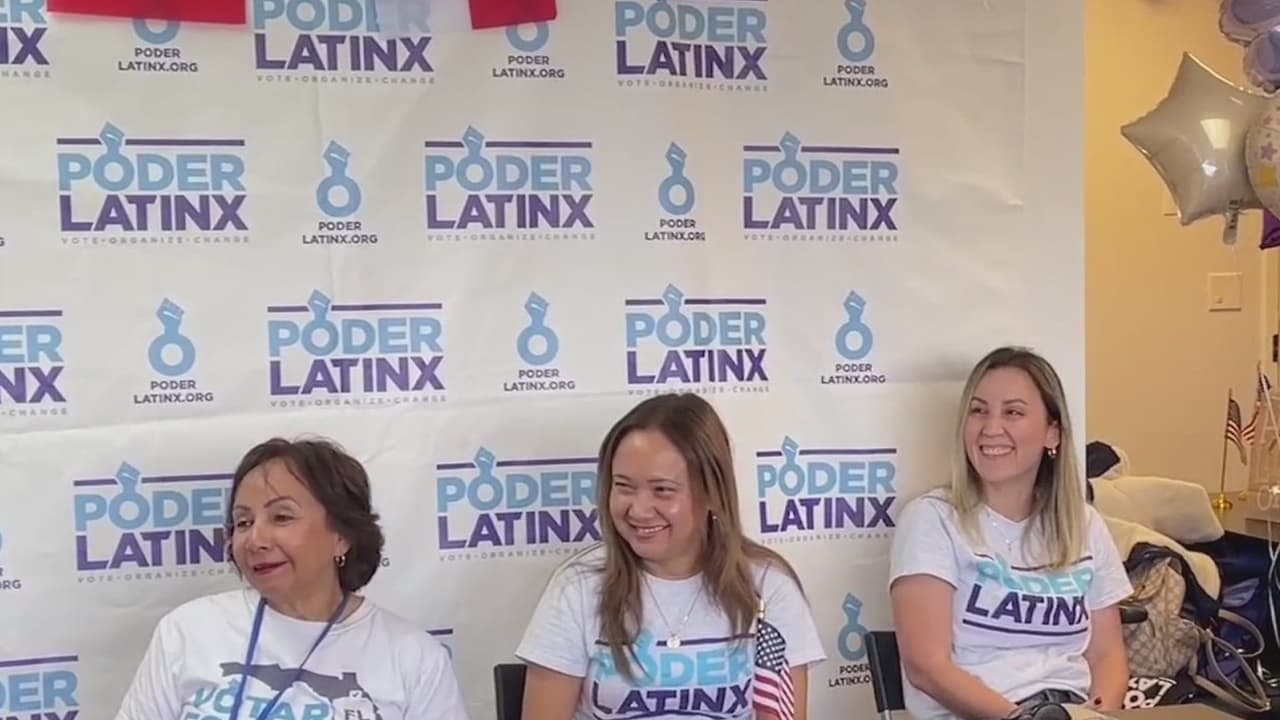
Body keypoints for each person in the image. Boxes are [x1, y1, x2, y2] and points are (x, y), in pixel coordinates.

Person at [515, 393, 826, 720]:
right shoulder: (577, 587)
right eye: (624, 487)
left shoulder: (769, 586)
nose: (639, 510)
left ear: (712, 493)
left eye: (662, 490)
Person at [115, 437, 470, 720]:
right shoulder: (188, 630)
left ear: (342, 535)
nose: (255, 540)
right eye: (243, 522)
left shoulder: (413, 657)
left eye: (282, 517)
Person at [889, 346, 1133, 720]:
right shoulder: (932, 518)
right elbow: (927, 666)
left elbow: (1107, 656)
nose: (990, 428)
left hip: (1070, 709)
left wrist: (1098, 716)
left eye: (1013, 412)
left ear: (1053, 433)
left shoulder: (1084, 524)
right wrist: (1022, 719)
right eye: (978, 411)